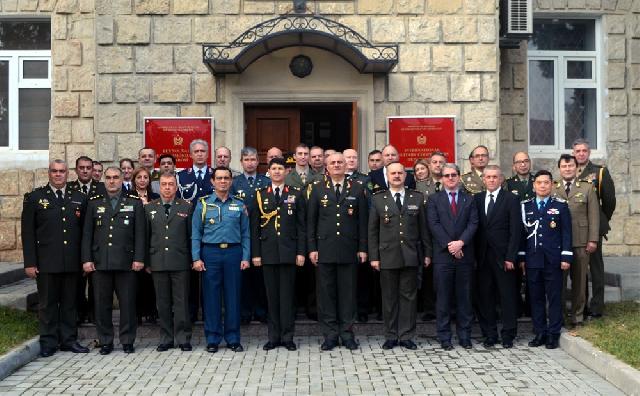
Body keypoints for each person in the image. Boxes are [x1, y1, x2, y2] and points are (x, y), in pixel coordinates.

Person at [21, 159, 90, 357]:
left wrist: (84, 260)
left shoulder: (79, 197)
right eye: (54, 171)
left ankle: (69, 340)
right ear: (49, 173)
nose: (58, 174)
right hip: (46, 263)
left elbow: (85, 233)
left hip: (71, 262)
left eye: (61, 171)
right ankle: (48, 342)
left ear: (68, 173)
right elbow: (28, 233)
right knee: (48, 304)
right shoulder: (35, 198)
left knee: (70, 304)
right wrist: (30, 263)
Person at [81, 167, 145, 355]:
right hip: (101, 262)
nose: (112, 181)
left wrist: (139, 258)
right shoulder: (94, 203)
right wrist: (86, 259)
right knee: (102, 304)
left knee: (128, 304)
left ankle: (127, 340)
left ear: (122, 179)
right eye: (108, 178)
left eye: (115, 177)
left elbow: (140, 233)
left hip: (127, 263)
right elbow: (87, 234)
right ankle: (106, 340)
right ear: (104, 180)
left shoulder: (134, 202)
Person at [307, 153, 368, 351]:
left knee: (348, 294)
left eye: (340, 162)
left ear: (345, 165)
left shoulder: (358, 189)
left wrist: (362, 248)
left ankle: (347, 333)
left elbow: (362, 222)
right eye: (332, 163)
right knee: (326, 295)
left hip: (349, 249)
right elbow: (311, 222)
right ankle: (331, 335)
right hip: (325, 249)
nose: (336, 165)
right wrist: (312, 248)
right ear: (327, 167)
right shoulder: (317, 189)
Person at [369, 162, 431, 350]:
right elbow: (372, 231)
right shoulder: (378, 199)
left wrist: (427, 253)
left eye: (400, 173)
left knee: (409, 298)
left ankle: (406, 335)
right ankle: (390, 335)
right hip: (387, 255)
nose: (396, 176)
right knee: (389, 298)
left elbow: (423, 229)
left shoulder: (417, 197)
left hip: (410, 254)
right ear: (387, 176)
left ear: (406, 176)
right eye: (393, 173)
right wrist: (374, 257)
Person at [191, 167, 250, 353]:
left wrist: (246, 256)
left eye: (226, 178)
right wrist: (196, 258)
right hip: (211, 254)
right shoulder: (203, 204)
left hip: (233, 253)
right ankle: (213, 338)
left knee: (233, 297)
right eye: (219, 178)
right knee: (211, 297)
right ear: (212, 181)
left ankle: (233, 338)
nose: (223, 181)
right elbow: (195, 234)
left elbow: (245, 233)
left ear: (231, 181)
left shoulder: (239, 205)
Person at [251, 158, 306, 351]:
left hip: (289, 252)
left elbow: (301, 226)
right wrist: (256, 254)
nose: (276, 172)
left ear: (286, 171)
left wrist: (301, 252)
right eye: (273, 168)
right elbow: (254, 227)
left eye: (280, 168)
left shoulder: (295, 194)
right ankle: (273, 336)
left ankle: (288, 336)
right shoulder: (260, 195)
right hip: (267, 253)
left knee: (287, 297)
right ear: (269, 171)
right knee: (272, 297)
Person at [518, 170, 573, 349]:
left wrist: (566, 256)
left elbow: (566, 233)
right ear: (534, 186)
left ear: (552, 185)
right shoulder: (526, 206)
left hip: (554, 260)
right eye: (539, 183)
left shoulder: (561, 206)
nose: (542, 186)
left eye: (546, 183)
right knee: (536, 297)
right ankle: (540, 332)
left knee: (554, 297)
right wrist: (522, 257)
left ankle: (553, 333)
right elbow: (522, 235)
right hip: (533, 260)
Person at [427, 163, 478, 350]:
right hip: (443, 257)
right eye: (447, 175)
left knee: (464, 298)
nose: (450, 178)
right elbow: (434, 224)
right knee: (443, 299)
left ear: (459, 177)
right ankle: (444, 337)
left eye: (453, 175)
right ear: (441, 178)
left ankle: (464, 336)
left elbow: (473, 224)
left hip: (464, 256)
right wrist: (451, 245)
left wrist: (460, 243)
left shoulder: (469, 199)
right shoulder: (433, 200)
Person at [473, 165, 521, 348]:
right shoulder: (476, 199)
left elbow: (515, 231)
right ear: (483, 179)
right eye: (488, 177)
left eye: (495, 177)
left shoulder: (511, 199)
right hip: (483, 257)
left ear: (501, 179)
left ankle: (508, 334)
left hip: (504, 258)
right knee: (485, 297)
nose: (492, 180)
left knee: (507, 296)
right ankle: (490, 334)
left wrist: (511, 257)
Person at [145, 172, 193, 352]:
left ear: (176, 186)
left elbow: (190, 236)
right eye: (163, 184)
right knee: (162, 303)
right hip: (157, 261)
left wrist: (191, 259)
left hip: (180, 262)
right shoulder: (149, 208)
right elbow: (146, 236)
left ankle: (183, 338)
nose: (167, 187)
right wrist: (147, 261)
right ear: (159, 187)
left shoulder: (187, 207)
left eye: (170, 184)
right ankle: (166, 338)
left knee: (181, 303)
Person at [554, 154, 599, 328]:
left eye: (570, 166)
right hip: (558, 243)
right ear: (559, 169)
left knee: (580, 281)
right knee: (559, 282)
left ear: (576, 168)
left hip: (581, 241)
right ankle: (561, 316)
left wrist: (593, 240)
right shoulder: (553, 188)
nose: (567, 169)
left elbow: (593, 216)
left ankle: (577, 316)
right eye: (564, 167)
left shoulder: (587, 188)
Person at [573, 138, 616, 319]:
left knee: (596, 269)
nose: (581, 154)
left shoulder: (599, 172)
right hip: (576, 229)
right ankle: (581, 306)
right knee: (579, 269)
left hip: (594, 228)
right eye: (578, 151)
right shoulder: (569, 171)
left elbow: (609, 201)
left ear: (589, 152)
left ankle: (597, 307)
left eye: (584, 150)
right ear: (573, 153)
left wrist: (600, 221)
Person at [231, 147, 270, 324]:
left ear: (258, 161)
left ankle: (261, 311)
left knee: (261, 277)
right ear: (241, 162)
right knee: (243, 276)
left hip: (263, 234)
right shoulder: (234, 183)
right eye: (246, 159)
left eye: (253, 159)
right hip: (240, 235)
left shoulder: (266, 181)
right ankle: (245, 312)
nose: (250, 162)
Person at [177, 139, 214, 323]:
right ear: (190, 154)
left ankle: (209, 313)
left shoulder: (216, 175)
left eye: (203, 151)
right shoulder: (181, 176)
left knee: (209, 275)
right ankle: (191, 313)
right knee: (191, 275)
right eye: (196, 151)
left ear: (208, 154)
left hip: (211, 231)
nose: (200, 154)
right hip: (188, 231)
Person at [67, 155, 106, 325]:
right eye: (81, 167)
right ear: (76, 170)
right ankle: (79, 313)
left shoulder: (103, 188)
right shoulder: (69, 189)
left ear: (93, 170)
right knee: (77, 283)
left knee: (97, 284)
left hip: (98, 243)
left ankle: (95, 314)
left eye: (88, 168)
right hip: (75, 243)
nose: (85, 170)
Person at [416, 151, 446, 321]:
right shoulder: (420, 186)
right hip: (427, 235)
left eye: (441, 162)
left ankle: (448, 307)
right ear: (430, 165)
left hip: (448, 234)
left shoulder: (452, 182)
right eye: (434, 162)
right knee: (428, 273)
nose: (438, 165)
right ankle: (429, 309)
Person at [129, 167, 160, 324]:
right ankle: (137, 313)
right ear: (134, 179)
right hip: (133, 242)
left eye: (145, 177)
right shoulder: (128, 197)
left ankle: (151, 311)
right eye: (139, 177)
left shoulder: (155, 197)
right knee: (134, 282)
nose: (142, 180)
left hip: (151, 240)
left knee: (150, 280)